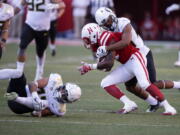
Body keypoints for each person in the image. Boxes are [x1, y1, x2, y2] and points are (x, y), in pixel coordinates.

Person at [79, 23, 177, 115]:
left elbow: (109, 63)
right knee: (105, 83)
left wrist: (90, 67)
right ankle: (129, 103)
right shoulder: (100, 42)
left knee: (145, 83)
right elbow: (107, 67)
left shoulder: (106, 38)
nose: (87, 42)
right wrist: (97, 65)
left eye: (87, 39)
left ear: (94, 34)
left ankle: (169, 108)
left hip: (135, 59)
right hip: (127, 63)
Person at [95, 7, 180, 93]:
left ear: (112, 15)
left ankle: (178, 85)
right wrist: (103, 61)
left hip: (142, 54)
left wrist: (106, 48)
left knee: (152, 84)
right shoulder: (108, 33)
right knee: (130, 87)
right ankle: (152, 103)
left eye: (108, 20)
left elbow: (125, 42)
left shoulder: (123, 22)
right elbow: (111, 57)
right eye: (105, 23)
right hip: (131, 60)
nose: (108, 23)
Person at [0, 0, 64, 80]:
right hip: (29, 25)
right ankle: (19, 70)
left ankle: (39, 71)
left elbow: (62, 5)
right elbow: (21, 6)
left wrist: (54, 6)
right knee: (22, 46)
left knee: (40, 52)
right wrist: (9, 15)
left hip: (43, 28)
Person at [4, 73, 81, 117]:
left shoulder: (60, 110)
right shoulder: (55, 79)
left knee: (39, 105)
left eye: (65, 96)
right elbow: (33, 84)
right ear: (64, 85)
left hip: (18, 106)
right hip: (20, 91)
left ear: (68, 102)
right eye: (64, 91)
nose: (61, 93)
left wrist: (38, 109)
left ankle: (16, 98)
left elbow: (36, 113)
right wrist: (35, 97)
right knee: (19, 74)